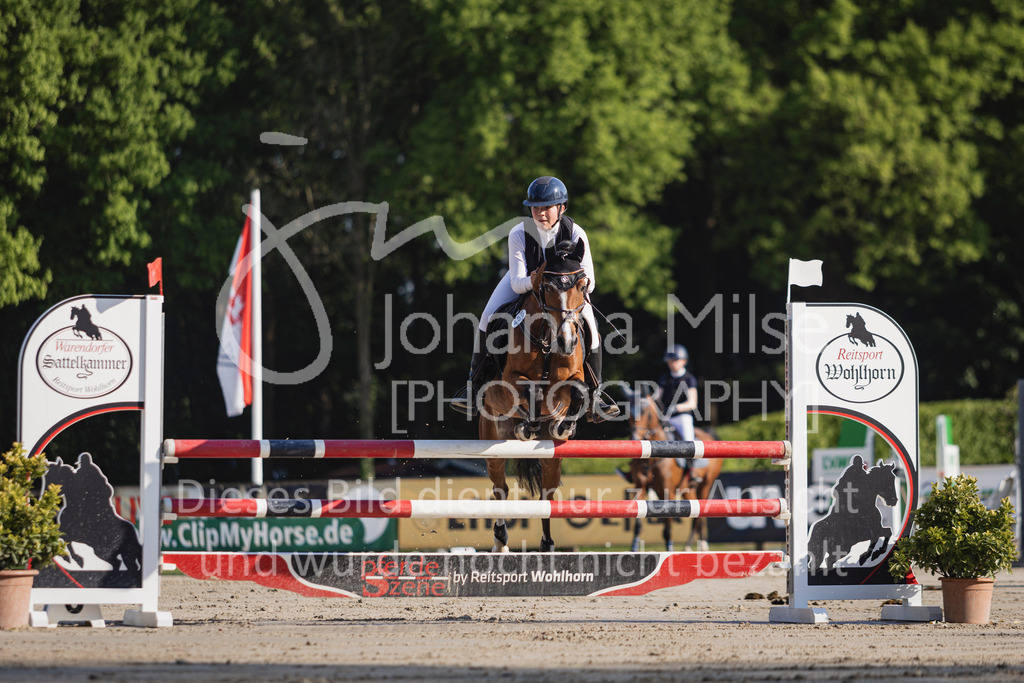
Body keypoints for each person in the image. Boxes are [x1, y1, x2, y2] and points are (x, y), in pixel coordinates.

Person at [450, 176, 619, 422]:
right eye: (535, 207)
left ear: (562, 207)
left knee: (592, 327)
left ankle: (596, 396)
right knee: (486, 317)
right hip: (527, 284)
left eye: (546, 208)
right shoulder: (519, 232)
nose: (540, 213)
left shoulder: (576, 232)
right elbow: (517, 283)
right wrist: (536, 281)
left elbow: (590, 279)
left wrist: (571, 285)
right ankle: (473, 387)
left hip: (566, 291)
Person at [656, 344, 707, 476]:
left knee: (688, 441)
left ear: (683, 361)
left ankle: (692, 471)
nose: (671, 363)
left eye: (674, 360)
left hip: (682, 417)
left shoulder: (689, 379)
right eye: (669, 361)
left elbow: (692, 403)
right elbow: (657, 396)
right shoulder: (664, 377)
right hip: (666, 417)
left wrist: (676, 407)